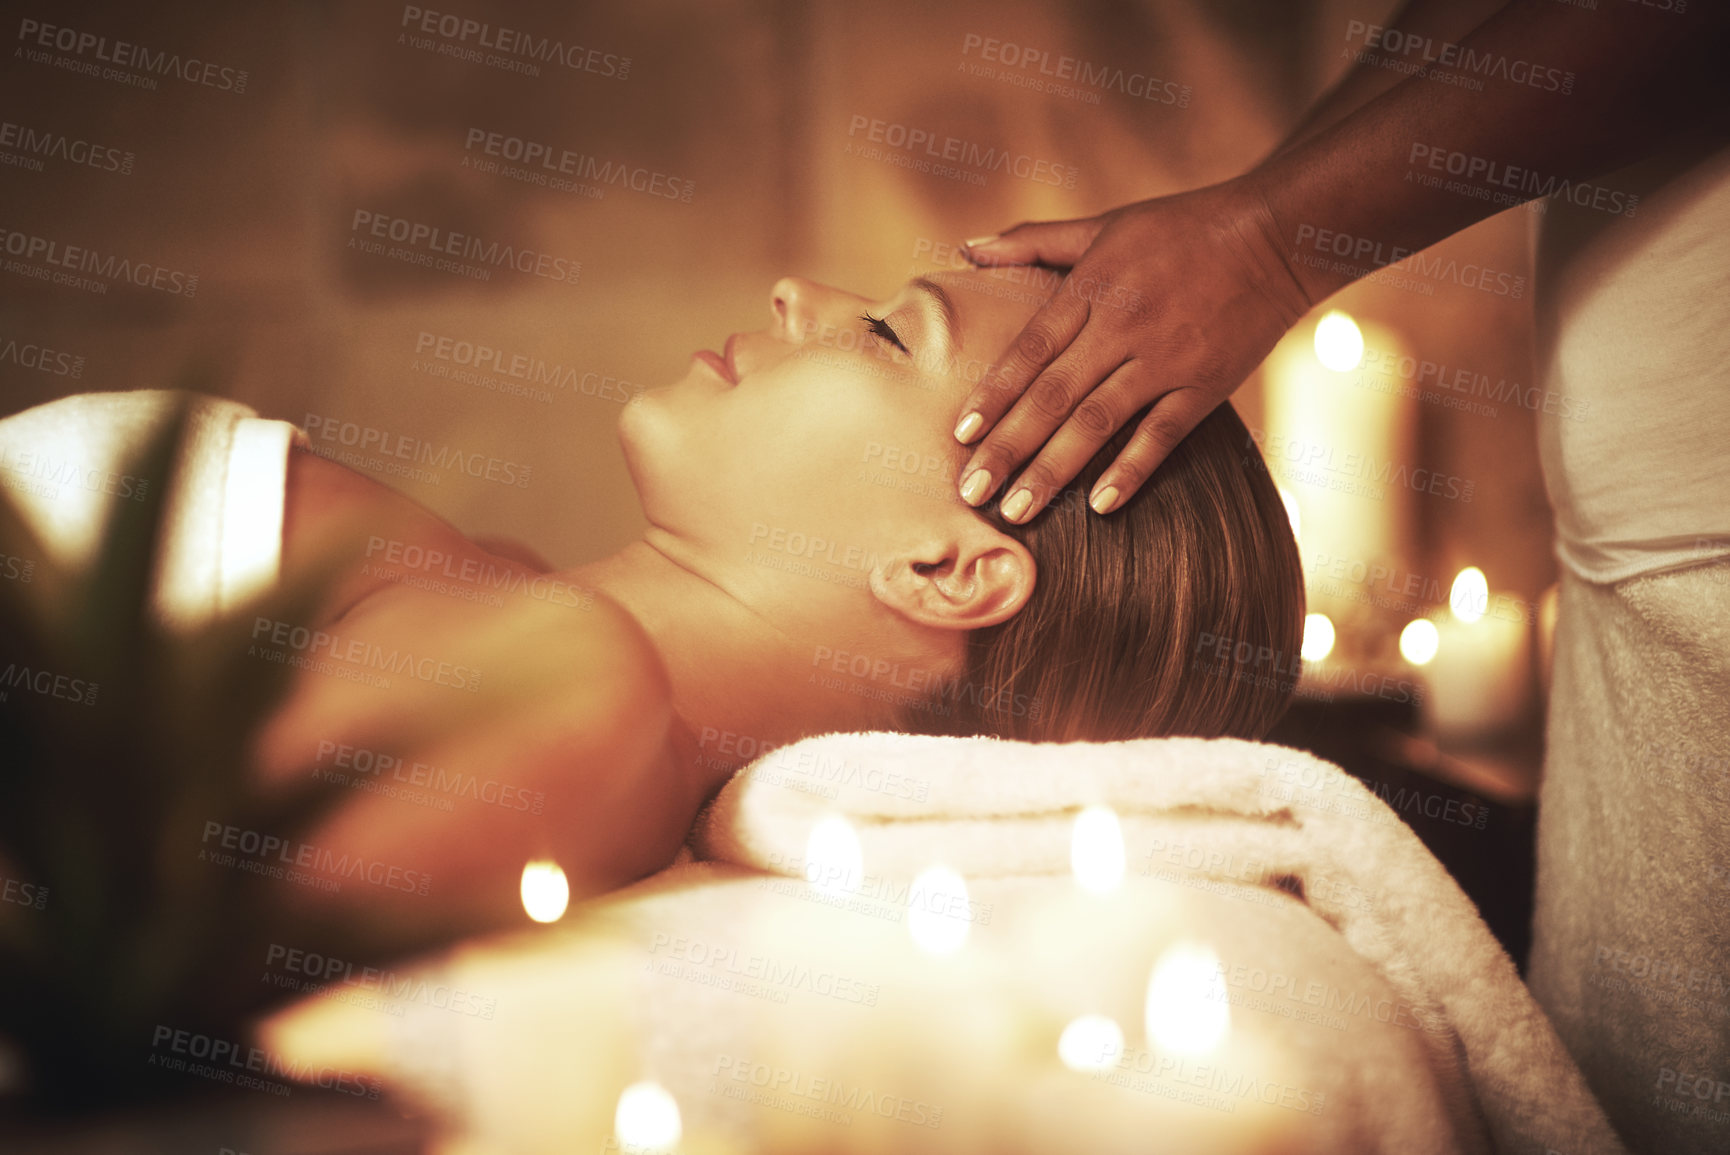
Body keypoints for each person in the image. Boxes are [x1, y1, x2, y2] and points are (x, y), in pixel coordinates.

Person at [948, 3, 1730, 1152]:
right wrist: (1246, 222)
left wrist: (1268, 239)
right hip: (1648, 564)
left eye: (883, 335)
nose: (787, 301)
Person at [243, 264, 1302, 938]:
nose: (797, 292)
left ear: (946, 569)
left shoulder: (575, 692)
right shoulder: (515, 596)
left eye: (891, 335)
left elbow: (129, 903)